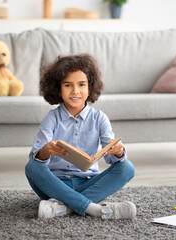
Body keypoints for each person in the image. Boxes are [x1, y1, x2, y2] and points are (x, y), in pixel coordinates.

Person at [25, 54, 136, 220]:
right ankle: (95, 209)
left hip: (88, 182)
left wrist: (118, 152)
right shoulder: (51, 118)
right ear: (58, 89)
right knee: (32, 167)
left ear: (90, 87)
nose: (75, 91)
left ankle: (63, 207)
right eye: (68, 85)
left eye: (81, 85)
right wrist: (46, 151)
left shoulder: (100, 118)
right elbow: (37, 158)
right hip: (55, 185)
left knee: (127, 167)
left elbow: (113, 161)